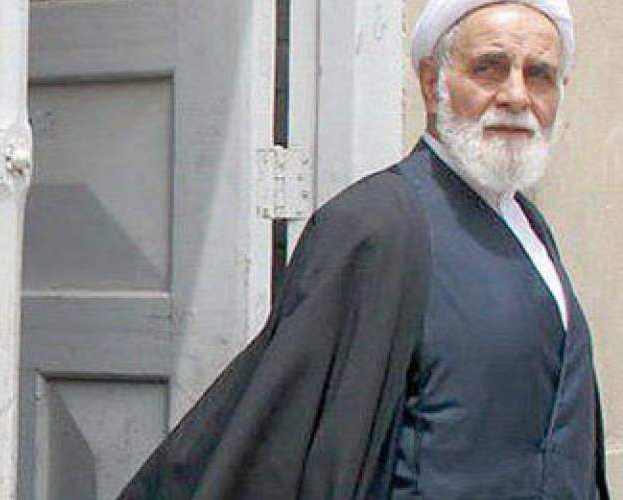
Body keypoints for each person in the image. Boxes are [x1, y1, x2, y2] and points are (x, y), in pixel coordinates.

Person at [118, 0, 609, 498]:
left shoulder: (528, 225)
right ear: (432, 83)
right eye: (489, 68)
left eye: (539, 75)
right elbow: (291, 439)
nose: (516, 96)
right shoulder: (375, 225)